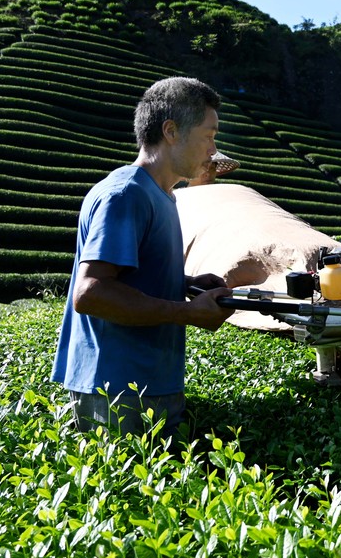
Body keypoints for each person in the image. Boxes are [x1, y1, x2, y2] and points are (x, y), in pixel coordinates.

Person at [51, 77, 235, 437]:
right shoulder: (126, 195)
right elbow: (91, 293)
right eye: (208, 136)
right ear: (171, 131)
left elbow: (131, 275)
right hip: (118, 389)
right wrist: (188, 313)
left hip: (149, 382)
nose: (213, 150)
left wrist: (187, 285)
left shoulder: (161, 195)